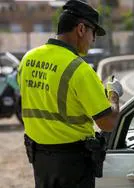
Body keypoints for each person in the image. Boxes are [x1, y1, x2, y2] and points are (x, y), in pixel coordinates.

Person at [17, 0, 123, 187]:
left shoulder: (28, 59)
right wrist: (113, 94)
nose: (93, 40)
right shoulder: (79, 70)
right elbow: (107, 123)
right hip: (72, 165)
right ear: (81, 29)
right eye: (93, 33)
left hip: (40, 162)